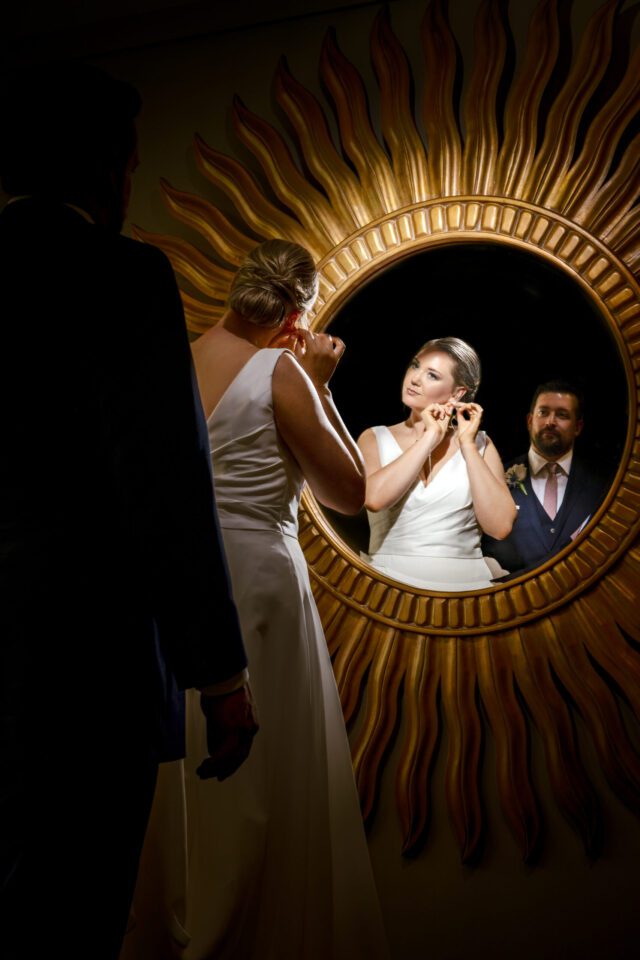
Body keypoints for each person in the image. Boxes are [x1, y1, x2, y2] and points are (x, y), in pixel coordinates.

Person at [0, 63, 256, 960]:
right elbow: (165, 484)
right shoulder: (124, 278)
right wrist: (218, 676)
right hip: (86, 670)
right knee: (72, 918)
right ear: (109, 168)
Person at [185, 239, 389, 959]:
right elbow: (351, 492)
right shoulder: (283, 371)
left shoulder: (181, 358)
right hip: (261, 588)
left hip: (188, 586)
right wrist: (321, 384)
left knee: (194, 789)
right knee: (266, 789)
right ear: (299, 313)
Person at [357, 337, 516, 591]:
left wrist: (467, 446)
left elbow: (500, 527)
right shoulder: (374, 437)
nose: (415, 378)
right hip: (386, 586)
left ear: (457, 393)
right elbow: (374, 499)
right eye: (415, 366)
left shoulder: (481, 445)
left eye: (432, 375)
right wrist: (430, 437)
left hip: (465, 587)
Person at [482, 380, 608, 577]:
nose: (551, 421)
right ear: (529, 421)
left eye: (562, 415)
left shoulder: (604, 483)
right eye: (543, 412)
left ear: (578, 426)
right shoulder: (494, 480)